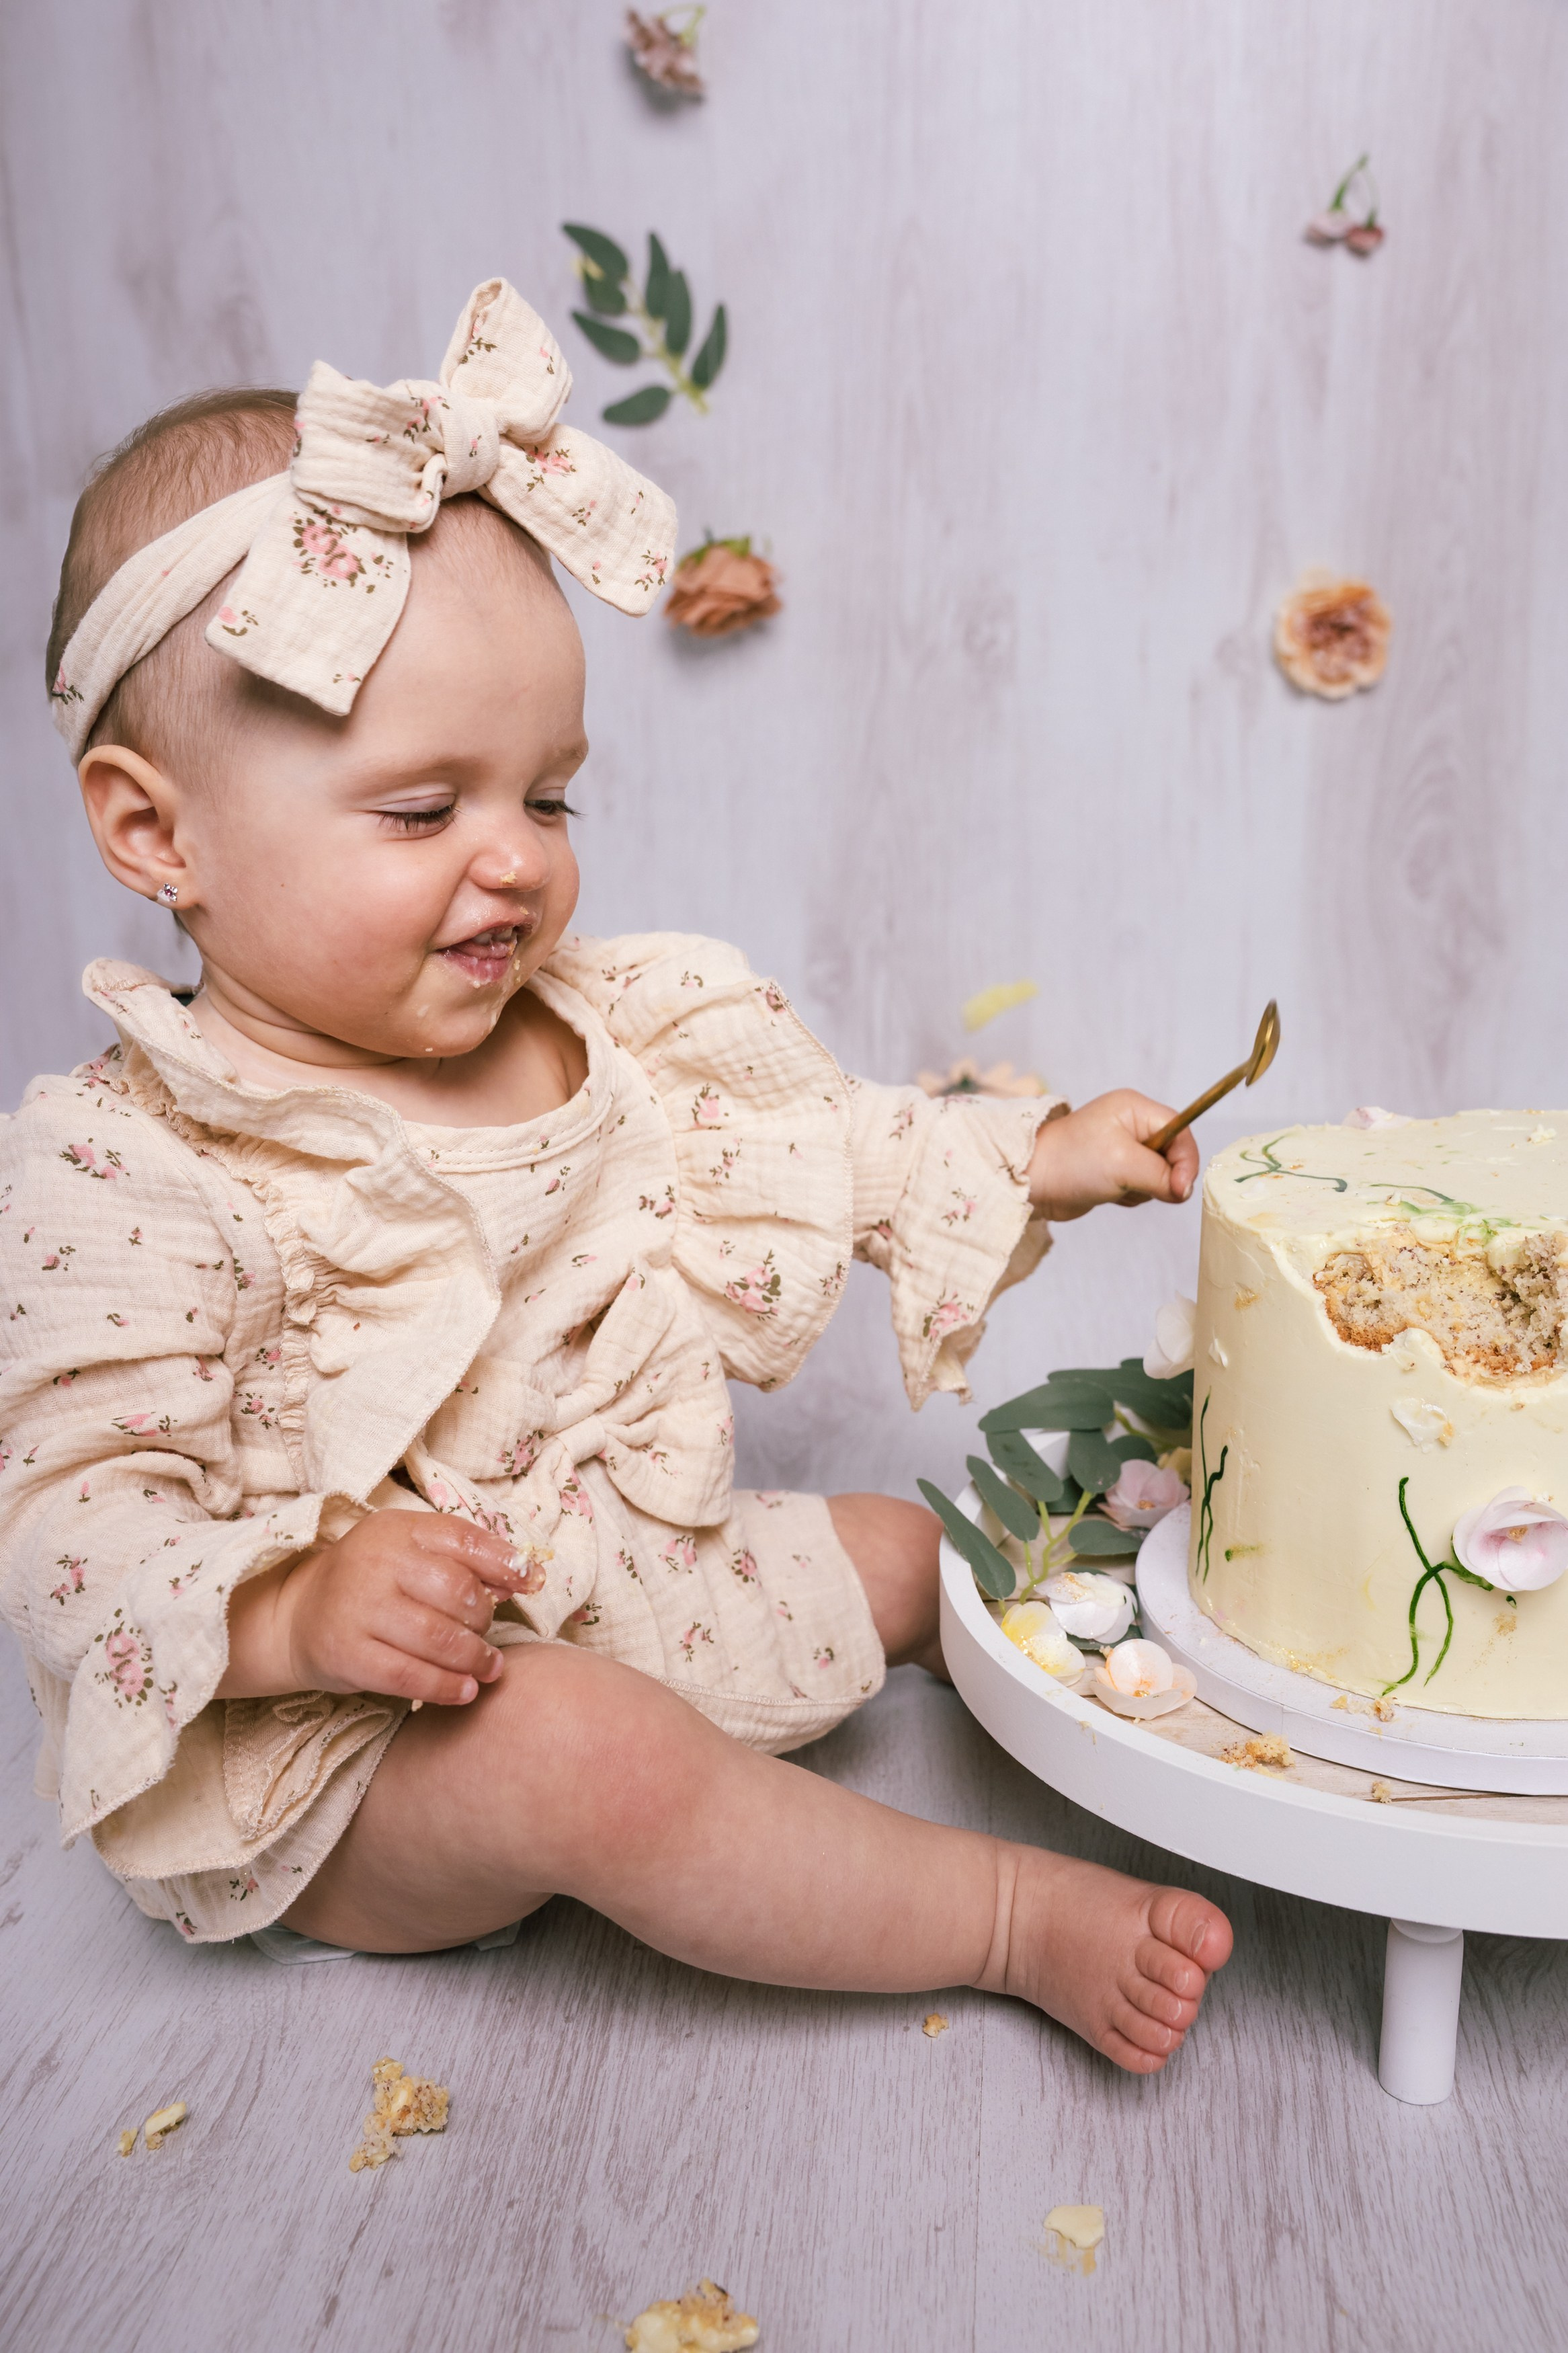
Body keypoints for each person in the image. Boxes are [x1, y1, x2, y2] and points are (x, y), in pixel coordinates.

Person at [2, 280, 1229, 2075]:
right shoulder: (129, 1164)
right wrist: (295, 1609)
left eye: (550, 797)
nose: (514, 860)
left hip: (624, 1579)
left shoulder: (601, 1028)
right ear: (153, 830)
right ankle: (1001, 1918)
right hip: (346, 1748)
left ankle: (1174, 1729)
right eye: (422, 811)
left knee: (917, 1553)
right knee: (593, 1756)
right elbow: (74, 1519)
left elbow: (828, 1142)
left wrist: (1036, 1158)